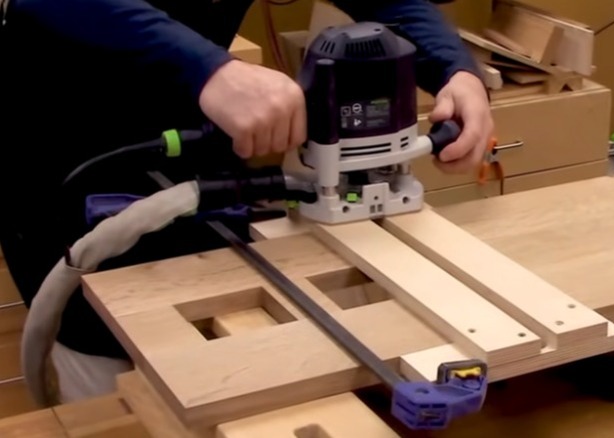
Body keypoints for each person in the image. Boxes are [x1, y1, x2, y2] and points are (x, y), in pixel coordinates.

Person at [0, 0, 494, 403]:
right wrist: (211, 68)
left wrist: (456, 70)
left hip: (197, 163)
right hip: (73, 175)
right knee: (117, 383)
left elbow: (394, 1)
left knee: (223, 372)